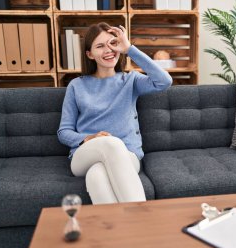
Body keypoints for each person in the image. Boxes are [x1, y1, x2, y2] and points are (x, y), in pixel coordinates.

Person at [57, 22, 172, 204]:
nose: (109, 50)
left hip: (128, 156)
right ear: (90, 54)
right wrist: (89, 138)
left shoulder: (131, 80)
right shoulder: (76, 86)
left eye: (112, 43)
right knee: (110, 144)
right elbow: (64, 132)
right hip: (84, 155)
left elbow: (164, 81)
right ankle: (144, 218)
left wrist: (129, 49)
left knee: (96, 176)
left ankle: (119, 231)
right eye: (100, 46)